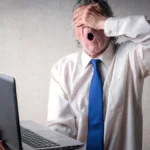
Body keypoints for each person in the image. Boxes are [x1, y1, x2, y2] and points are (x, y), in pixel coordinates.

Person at [47, 0, 150, 150]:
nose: (88, 26)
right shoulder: (62, 69)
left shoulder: (132, 56)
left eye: (94, 19)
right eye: (80, 22)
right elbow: (60, 128)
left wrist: (105, 23)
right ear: (75, 33)